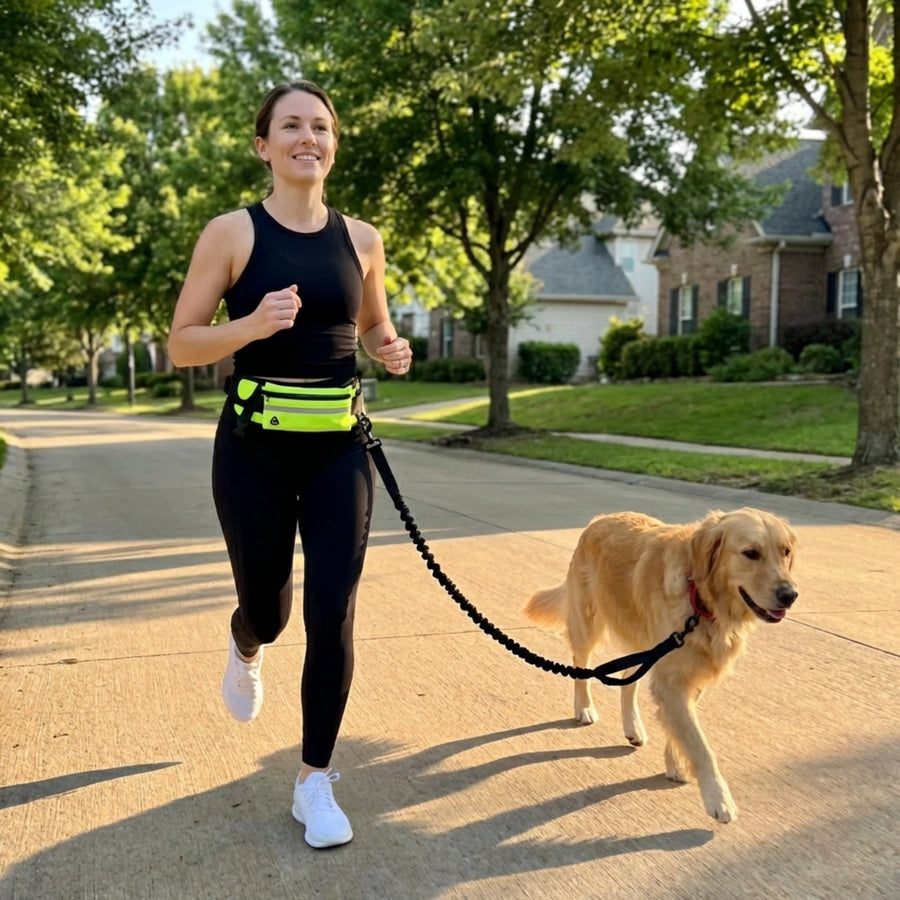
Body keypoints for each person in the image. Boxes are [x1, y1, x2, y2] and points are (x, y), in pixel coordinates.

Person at [167, 80, 412, 849]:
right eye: (292, 127)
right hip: (254, 452)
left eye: (321, 127)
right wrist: (249, 324)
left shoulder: (362, 240)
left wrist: (389, 348)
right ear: (263, 146)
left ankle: (314, 781)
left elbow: (373, 326)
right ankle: (244, 644)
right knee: (270, 612)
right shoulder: (232, 234)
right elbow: (180, 342)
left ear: (332, 144)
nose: (309, 138)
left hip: (340, 449)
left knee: (332, 608)